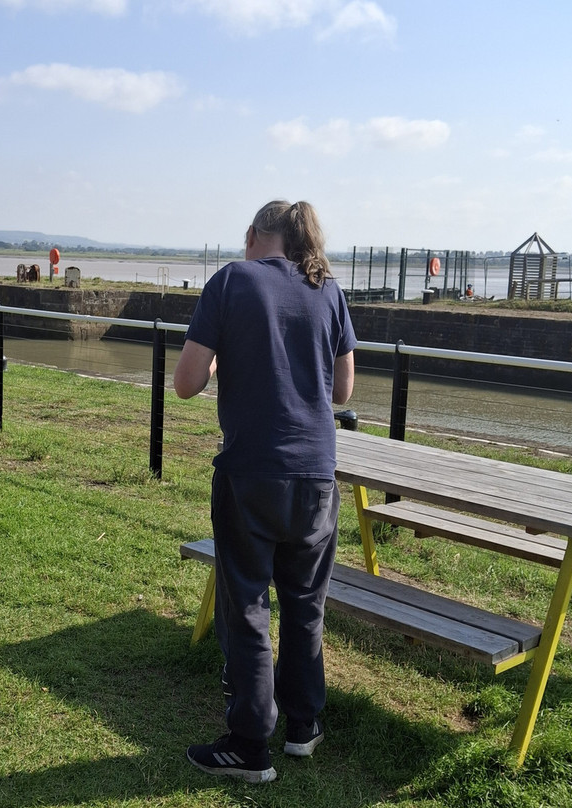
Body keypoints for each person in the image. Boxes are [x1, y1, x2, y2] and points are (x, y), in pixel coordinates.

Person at [174, 200, 356, 783]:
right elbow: (343, 390)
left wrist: (230, 359)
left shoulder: (230, 281)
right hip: (316, 475)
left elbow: (185, 384)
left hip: (251, 470)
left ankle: (250, 746)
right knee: (305, 603)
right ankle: (303, 727)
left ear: (254, 236)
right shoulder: (328, 287)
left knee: (248, 605)